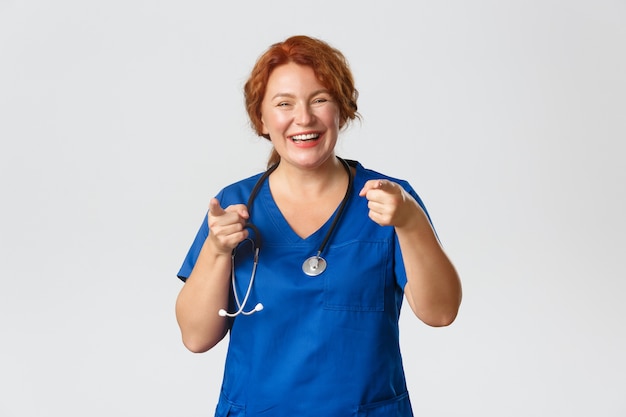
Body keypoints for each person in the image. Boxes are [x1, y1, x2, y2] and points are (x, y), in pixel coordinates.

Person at [175, 35, 462, 417]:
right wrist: (215, 251)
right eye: (284, 104)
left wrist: (410, 223)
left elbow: (440, 313)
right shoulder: (234, 206)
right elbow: (196, 338)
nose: (304, 118)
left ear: (342, 110)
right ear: (261, 119)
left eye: (320, 100)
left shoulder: (390, 201)